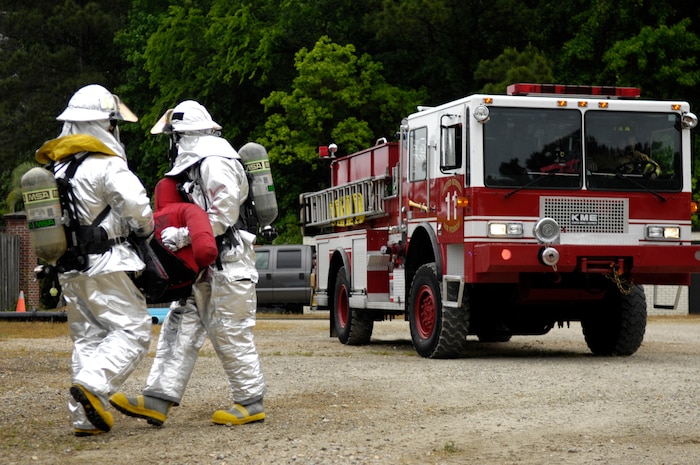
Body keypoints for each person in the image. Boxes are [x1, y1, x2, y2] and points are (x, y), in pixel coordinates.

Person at [110, 100, 267, 426]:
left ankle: (250, 402)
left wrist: (182, 237)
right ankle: (157, 398)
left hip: (229, 263)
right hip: (207, 265)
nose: (172, 143)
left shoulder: (215, 161)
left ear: (182, 135)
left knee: (230, 331)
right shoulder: (202, 162)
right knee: (178, 327)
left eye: (174, 136)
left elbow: (223, 216)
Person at [34, 84, 154, 437]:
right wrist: (146, 231)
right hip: (108, 263)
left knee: (88, 339)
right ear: (104, 125)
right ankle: (92, 384)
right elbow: (139, 210)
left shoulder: (57, 169)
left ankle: (85, 418)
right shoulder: (107, 165)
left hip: (69, 268)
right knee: (133, 330)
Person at [150, 176, 218, 300]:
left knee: (181, 316)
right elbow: (205, 248)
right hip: (189, 276)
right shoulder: (189, 210)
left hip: (160, 282)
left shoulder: (149, 219)